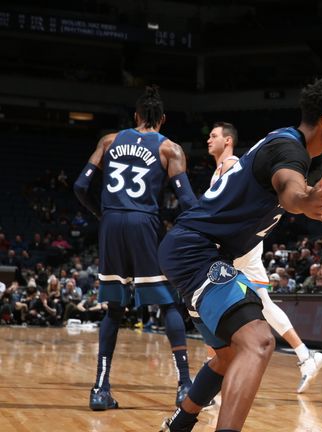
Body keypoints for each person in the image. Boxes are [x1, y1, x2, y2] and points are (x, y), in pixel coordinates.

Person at [158, 78, 322, 432]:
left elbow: (300, 189)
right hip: (197, 251)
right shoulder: (289, 152)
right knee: (260, 340)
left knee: (228, 355)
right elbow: (292, 192)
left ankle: (179, 424)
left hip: (193, 250)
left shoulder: (289, 145)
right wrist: (300, 202)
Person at [73, 86, 197, 411]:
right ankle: (185, 386)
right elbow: (187, 202)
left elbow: (80, 185)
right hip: (145, 223)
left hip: (111, 223)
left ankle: (100, 389)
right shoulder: (170, 149)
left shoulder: (109, 141)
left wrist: (101, 213)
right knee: (168, 303)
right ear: (163, 119)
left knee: (114, 308)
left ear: (136, 116)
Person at [206, 121, 322, 393]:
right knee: (261, 302)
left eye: (213, 136)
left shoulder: (230, 165)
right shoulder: (219, 169)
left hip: (240, 243)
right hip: (243, 242)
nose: (208, 140)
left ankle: (215, 368)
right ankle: (305, 355)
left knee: (212, 298)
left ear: (228, 141)